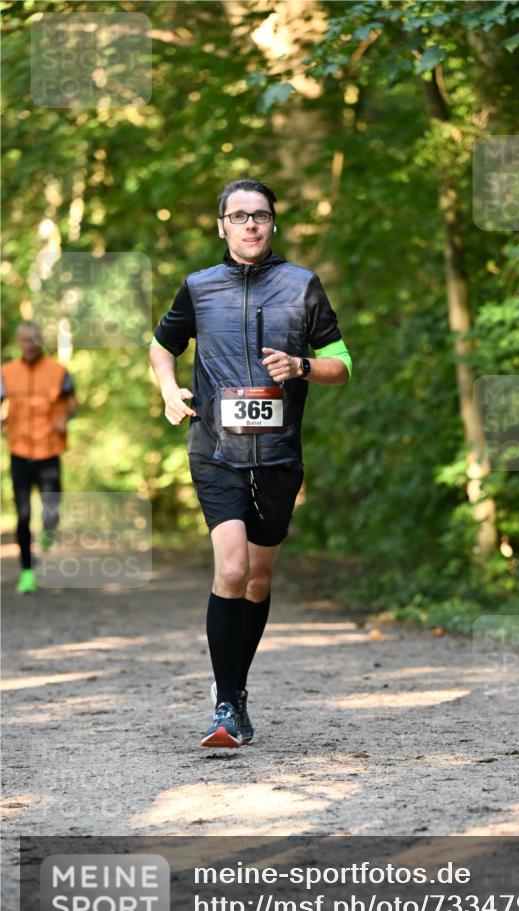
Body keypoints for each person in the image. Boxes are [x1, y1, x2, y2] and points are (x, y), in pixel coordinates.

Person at [150, 178, 352, 750]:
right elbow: (162, 346)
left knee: (259, 580)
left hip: (279, 456)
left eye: (259, 215)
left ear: (272, 223)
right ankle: (225, 703)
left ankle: (236, 691)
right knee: (233, 569)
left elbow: (342, 364)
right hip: (216, 449)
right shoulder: (199, 287)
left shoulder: (302, 285)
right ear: (222, 226)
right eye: (238, 216)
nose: (249, 225)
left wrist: (303, 366)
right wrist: (168, 390)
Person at [1, 321, 77, 594]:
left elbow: (72, 403)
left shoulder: (58, 371)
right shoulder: (7, 372)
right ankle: (26, 572)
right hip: (20, 451)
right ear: (18, 342)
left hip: (49, 451)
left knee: (51, 510)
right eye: (25, 340)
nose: (29, 344)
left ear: (40, 341)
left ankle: (48, 534)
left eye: (34, 339)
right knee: (23, 515)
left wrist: (65, 418)